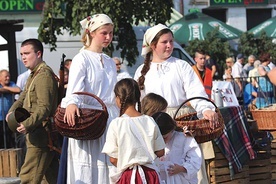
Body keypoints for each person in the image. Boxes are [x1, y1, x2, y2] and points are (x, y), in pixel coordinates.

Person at [134, 23, 219, 184]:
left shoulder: (181, 66)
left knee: (185, 166)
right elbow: (139, 104)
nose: (169, 45)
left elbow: (195, 92)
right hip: (155, 127)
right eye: (164, 42)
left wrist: (205, 109)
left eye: (171, 41)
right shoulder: (141, 71)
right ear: (153, 45)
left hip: (181, 124)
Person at [59, 14, 118, 183]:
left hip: (109, 118)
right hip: (88, 120)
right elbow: (74, 89)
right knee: (87, 166)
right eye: (104, 33)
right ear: (91, 33)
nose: (108, 37)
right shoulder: (81, 58)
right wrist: (71, 103)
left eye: (111, 33)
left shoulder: (109, 61)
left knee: (109, 166)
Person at [5, 38, 59, 183]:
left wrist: (27, 124)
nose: (23, 57)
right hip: (38, 134)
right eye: (21, 54)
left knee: (28, 177)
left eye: (27, 53)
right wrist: (11, 112)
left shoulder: (43, 76)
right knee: (50, 179)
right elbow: (22, 96)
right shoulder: (33, 74)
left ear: (39, 53)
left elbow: (44, 107)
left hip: (42, 136)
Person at [102, 78, 165, 183]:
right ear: (137, 97)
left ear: (118, 98)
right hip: (150, 175)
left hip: (128, 176)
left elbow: (113, 159)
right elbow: (160, 151)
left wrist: (128, 161)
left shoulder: (116, 123)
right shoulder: (149, 121)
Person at [152, 112, 202, 184]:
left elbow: (195, 159)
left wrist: (182, 168)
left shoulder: (184, 138)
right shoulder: (151, 141)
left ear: (172, 130)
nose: (162, 142)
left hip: (182, 180)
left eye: (165, 138)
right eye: (159, 139)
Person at [0, 69, 21, 148]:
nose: (8, 78)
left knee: (10, 139)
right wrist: (7, 90)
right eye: (5, 77)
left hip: (9, 117)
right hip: (0, 118)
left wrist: (6, 88)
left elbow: (18, 90)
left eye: (8, 76)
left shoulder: (11, 84)